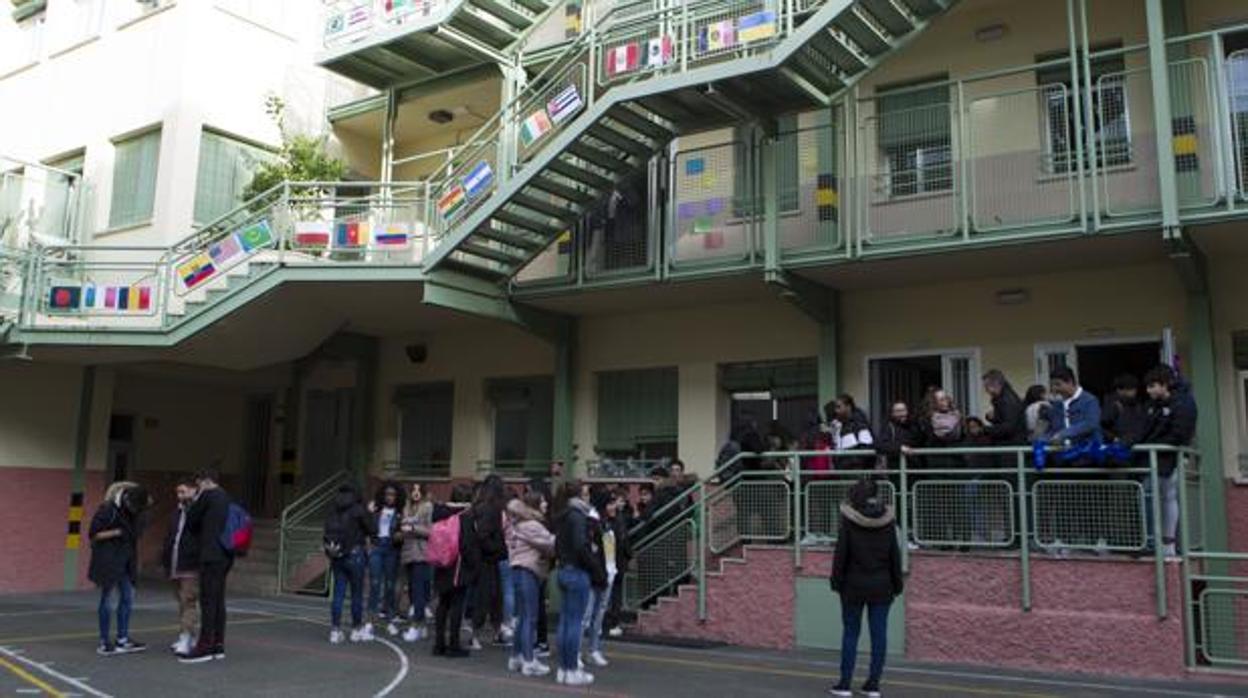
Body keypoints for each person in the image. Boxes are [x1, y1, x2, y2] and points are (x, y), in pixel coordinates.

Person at [828, 478, 903, 698]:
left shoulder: (849, 522)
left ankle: (844, 684)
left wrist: (836, 581)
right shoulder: (888, 522)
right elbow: (894, 556)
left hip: (853, 585)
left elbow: (841, 555)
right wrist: (897, 584)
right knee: (879, 635)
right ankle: (873, 685)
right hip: (882, 586)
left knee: (851, 633)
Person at [1140, 365, 1197, 557]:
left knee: (1166, 496)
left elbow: (1180, 433)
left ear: (1165, 385)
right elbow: (1146, 429)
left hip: (1170, 458)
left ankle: (1163, 543)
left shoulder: (1183, 403)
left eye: (1152, 386)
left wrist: (1155, 444)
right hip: (1158, 458)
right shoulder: (1155, 405)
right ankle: (1163, 543)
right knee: (1162, 497)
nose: (1149, 391)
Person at [89, 481, 150, 656]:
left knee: (128, 597)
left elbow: (137, 531)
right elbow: (93, 533)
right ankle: (104, 641)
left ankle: (123, 639)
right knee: (107, 599)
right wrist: (117, 533)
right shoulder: (107, 510)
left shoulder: (137, 511)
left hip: (127, 560)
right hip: (109, 559)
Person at [179, 469, 232, 663]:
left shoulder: (208, 496)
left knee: (208, 600)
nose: (198, 487)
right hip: (225, 554)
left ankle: (205, 646)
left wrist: (191, 504)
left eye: (199, 483)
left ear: (205, 482)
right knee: (219, 600)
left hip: (210, 554)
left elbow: (191, 522)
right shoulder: (225, 496)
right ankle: (218, 644)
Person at [505, 490, 555, 677]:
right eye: (542, 501)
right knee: (530, 617)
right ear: (534, 505)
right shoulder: (533, 525)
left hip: (518, 570)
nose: (545, 504)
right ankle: (528, 660)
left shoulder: (516, 524)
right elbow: (550, 545)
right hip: (529, 570)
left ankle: (516, 656)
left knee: (522, 616)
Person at [553, 481, 599, 686]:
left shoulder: (562, 515)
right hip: (577, 572)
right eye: (586, 494)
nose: (588, 498)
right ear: (580, 496)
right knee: (574, 624)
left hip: (563, 569)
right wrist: (594, 565)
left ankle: (564, 668)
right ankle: (571, 670)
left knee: (565, 622)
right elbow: (581, 545)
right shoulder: (578, 516)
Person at [432, 484, 478, 658]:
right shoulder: (466, 516)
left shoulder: (440, 512)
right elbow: (467, 544)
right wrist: (474, 564)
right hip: (459, 565)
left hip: (441, 563)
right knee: (457, 605)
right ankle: (454, 644)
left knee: (443, 603)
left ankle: (439, 643)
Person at [325, 483, 375, 644]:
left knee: (338, 593)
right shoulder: (358, 509)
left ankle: (335, 630)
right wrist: (370, 513)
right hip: (355, 554)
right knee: (356, 594)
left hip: (337, 555)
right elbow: (372, 529)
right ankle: (356, 629)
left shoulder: (333, 508)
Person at [161, 478, 199, 655]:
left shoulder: (198, 511)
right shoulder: (176, 512)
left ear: (193, 491)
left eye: (183, 492)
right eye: (178, 492)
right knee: (181, 601)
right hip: (175, 561)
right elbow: (171, 535)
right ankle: (186, 634)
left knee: (188, 600)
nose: (180, 496)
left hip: (190, 563)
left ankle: (187, 636)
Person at [471, 475, 509, 649]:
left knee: (491, 597)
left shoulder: (480, 507)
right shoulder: (491, 509)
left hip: (483, 559)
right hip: (487, 560)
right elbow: (484, 536)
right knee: (489, 597)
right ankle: (477, 634)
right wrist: (499, 549)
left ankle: (492, 632)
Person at [365, 481, 406, 639]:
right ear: (382, 495)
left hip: (391, 550)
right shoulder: (375, 509)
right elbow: (367, 528)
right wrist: (369, 547)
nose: (390, 497)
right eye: (387, 494)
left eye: (393, 494)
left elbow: (404, 532)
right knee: (375, 584)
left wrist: (400, 535)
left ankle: (390, 620)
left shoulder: (400, 512)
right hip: (377, 548)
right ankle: (370, 621)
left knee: (390, 585)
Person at [583, 487, 618, 668]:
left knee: (599, 615)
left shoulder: (608, 522)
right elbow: (592, 552)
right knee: (586, 615)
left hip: (608, 573)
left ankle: (593, 650)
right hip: (595, 575)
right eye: (611, 503)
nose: (615, 506)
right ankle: (575, 652)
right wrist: (599, 573)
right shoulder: (592, 522)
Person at [400, 482, 434, 642]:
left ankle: (416, 625)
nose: (415, 493)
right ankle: (421, 626)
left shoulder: (428, 508)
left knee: (420, 590)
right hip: (408, 553)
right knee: (413, 591)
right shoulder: (405, 508)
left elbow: (431, 531)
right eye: (413, 490)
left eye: (418, 490)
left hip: (422, 553)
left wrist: (413, 529)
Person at [1046, 366, 1102, 451]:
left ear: (1070, 382)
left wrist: (1063, 434)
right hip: (1062, 454)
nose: (1055, 389)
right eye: (1052, 385)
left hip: (1087, 454)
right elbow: (1054, 428)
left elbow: (1091, 423)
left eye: (1058, 384)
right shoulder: (1056, 405)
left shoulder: (1090, 400)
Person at [604, 487, 634, 638]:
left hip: (616, 561)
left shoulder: (618, 519)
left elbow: (623, 540)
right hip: (610, 561)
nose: (613, 506)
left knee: (614, 594)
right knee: (610, 594)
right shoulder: (613, 521)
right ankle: (610, 622)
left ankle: (611, 622)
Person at [828, 395, 876, 468]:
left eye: (839, 407)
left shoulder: (859, 425)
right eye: (835, 408)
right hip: (844, 474)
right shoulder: (839, 426)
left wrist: (849, 464)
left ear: (848, 407)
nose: (836, 411)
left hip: (857, 474)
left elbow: (866, 451)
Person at [1102, 374, 1148, 446]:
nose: (1134, 392)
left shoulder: (1139, 405)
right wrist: (1114, 439)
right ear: (1120, 390)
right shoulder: (1113, 405)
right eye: (1131, 389)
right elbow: (1103, 426)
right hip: (1119, 446)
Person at [982, 369, 1027, 445]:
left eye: (987, 387)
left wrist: (985, 430)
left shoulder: (1007, 400)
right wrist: (993, 418)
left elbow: (1008, 428)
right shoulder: (1004, 398)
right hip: (1010, 442)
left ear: (996, 384)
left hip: (1010, 444)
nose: (986, 390)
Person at [875, 400, 920, 471]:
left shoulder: (915, 425)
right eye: (898, 411)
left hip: (915, 468)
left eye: (903, 410)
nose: (902, 414)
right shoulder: (888, 427)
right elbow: (880, 444)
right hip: (896, 469)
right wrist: (900, 448)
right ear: (892, 413)